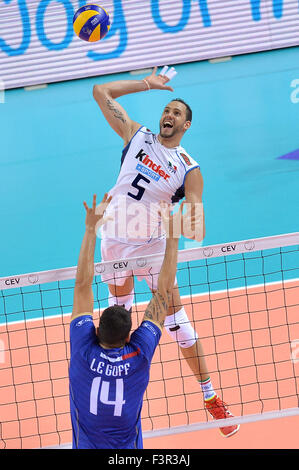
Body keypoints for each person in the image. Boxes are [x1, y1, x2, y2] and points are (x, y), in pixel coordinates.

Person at [92, 66, 239, 438]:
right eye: (166, 109)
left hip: (154, 247)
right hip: (113, 241)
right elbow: (100, 91)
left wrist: (189, 215)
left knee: (176, 323)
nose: (168, 115)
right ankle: (120, 405)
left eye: (177, 113)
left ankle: (211, 397)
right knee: (118, 318)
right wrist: (146, 84)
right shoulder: (136, 134)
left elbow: (194, 213)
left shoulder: (189, 167)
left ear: (186, 125)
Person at [69, 193, 188, 448]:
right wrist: (173, 236)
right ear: (127, 337)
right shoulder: (139, 354)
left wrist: (91, 229)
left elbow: (82, 285)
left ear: (97, 331)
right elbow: (164, 292)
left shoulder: (83, 349)